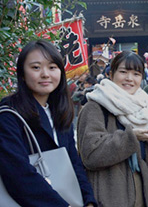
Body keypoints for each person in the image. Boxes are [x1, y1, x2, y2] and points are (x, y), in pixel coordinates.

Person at [77, 51, 148, 207]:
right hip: (109, 198)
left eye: (136, 73)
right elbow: (91, 155)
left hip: (143, 196)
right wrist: (130, 137)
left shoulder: (144, 110)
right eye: (123, 72)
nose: (129, 78)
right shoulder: (95, 107)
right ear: (111, 74)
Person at [0, 40, 96, 206]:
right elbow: (18, 174)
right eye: (36, 67)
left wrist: (89, 201)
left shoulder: (60, 111)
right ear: (22, 73)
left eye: (52, 67)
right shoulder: (8, 114)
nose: (45, 74)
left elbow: (74, 163)